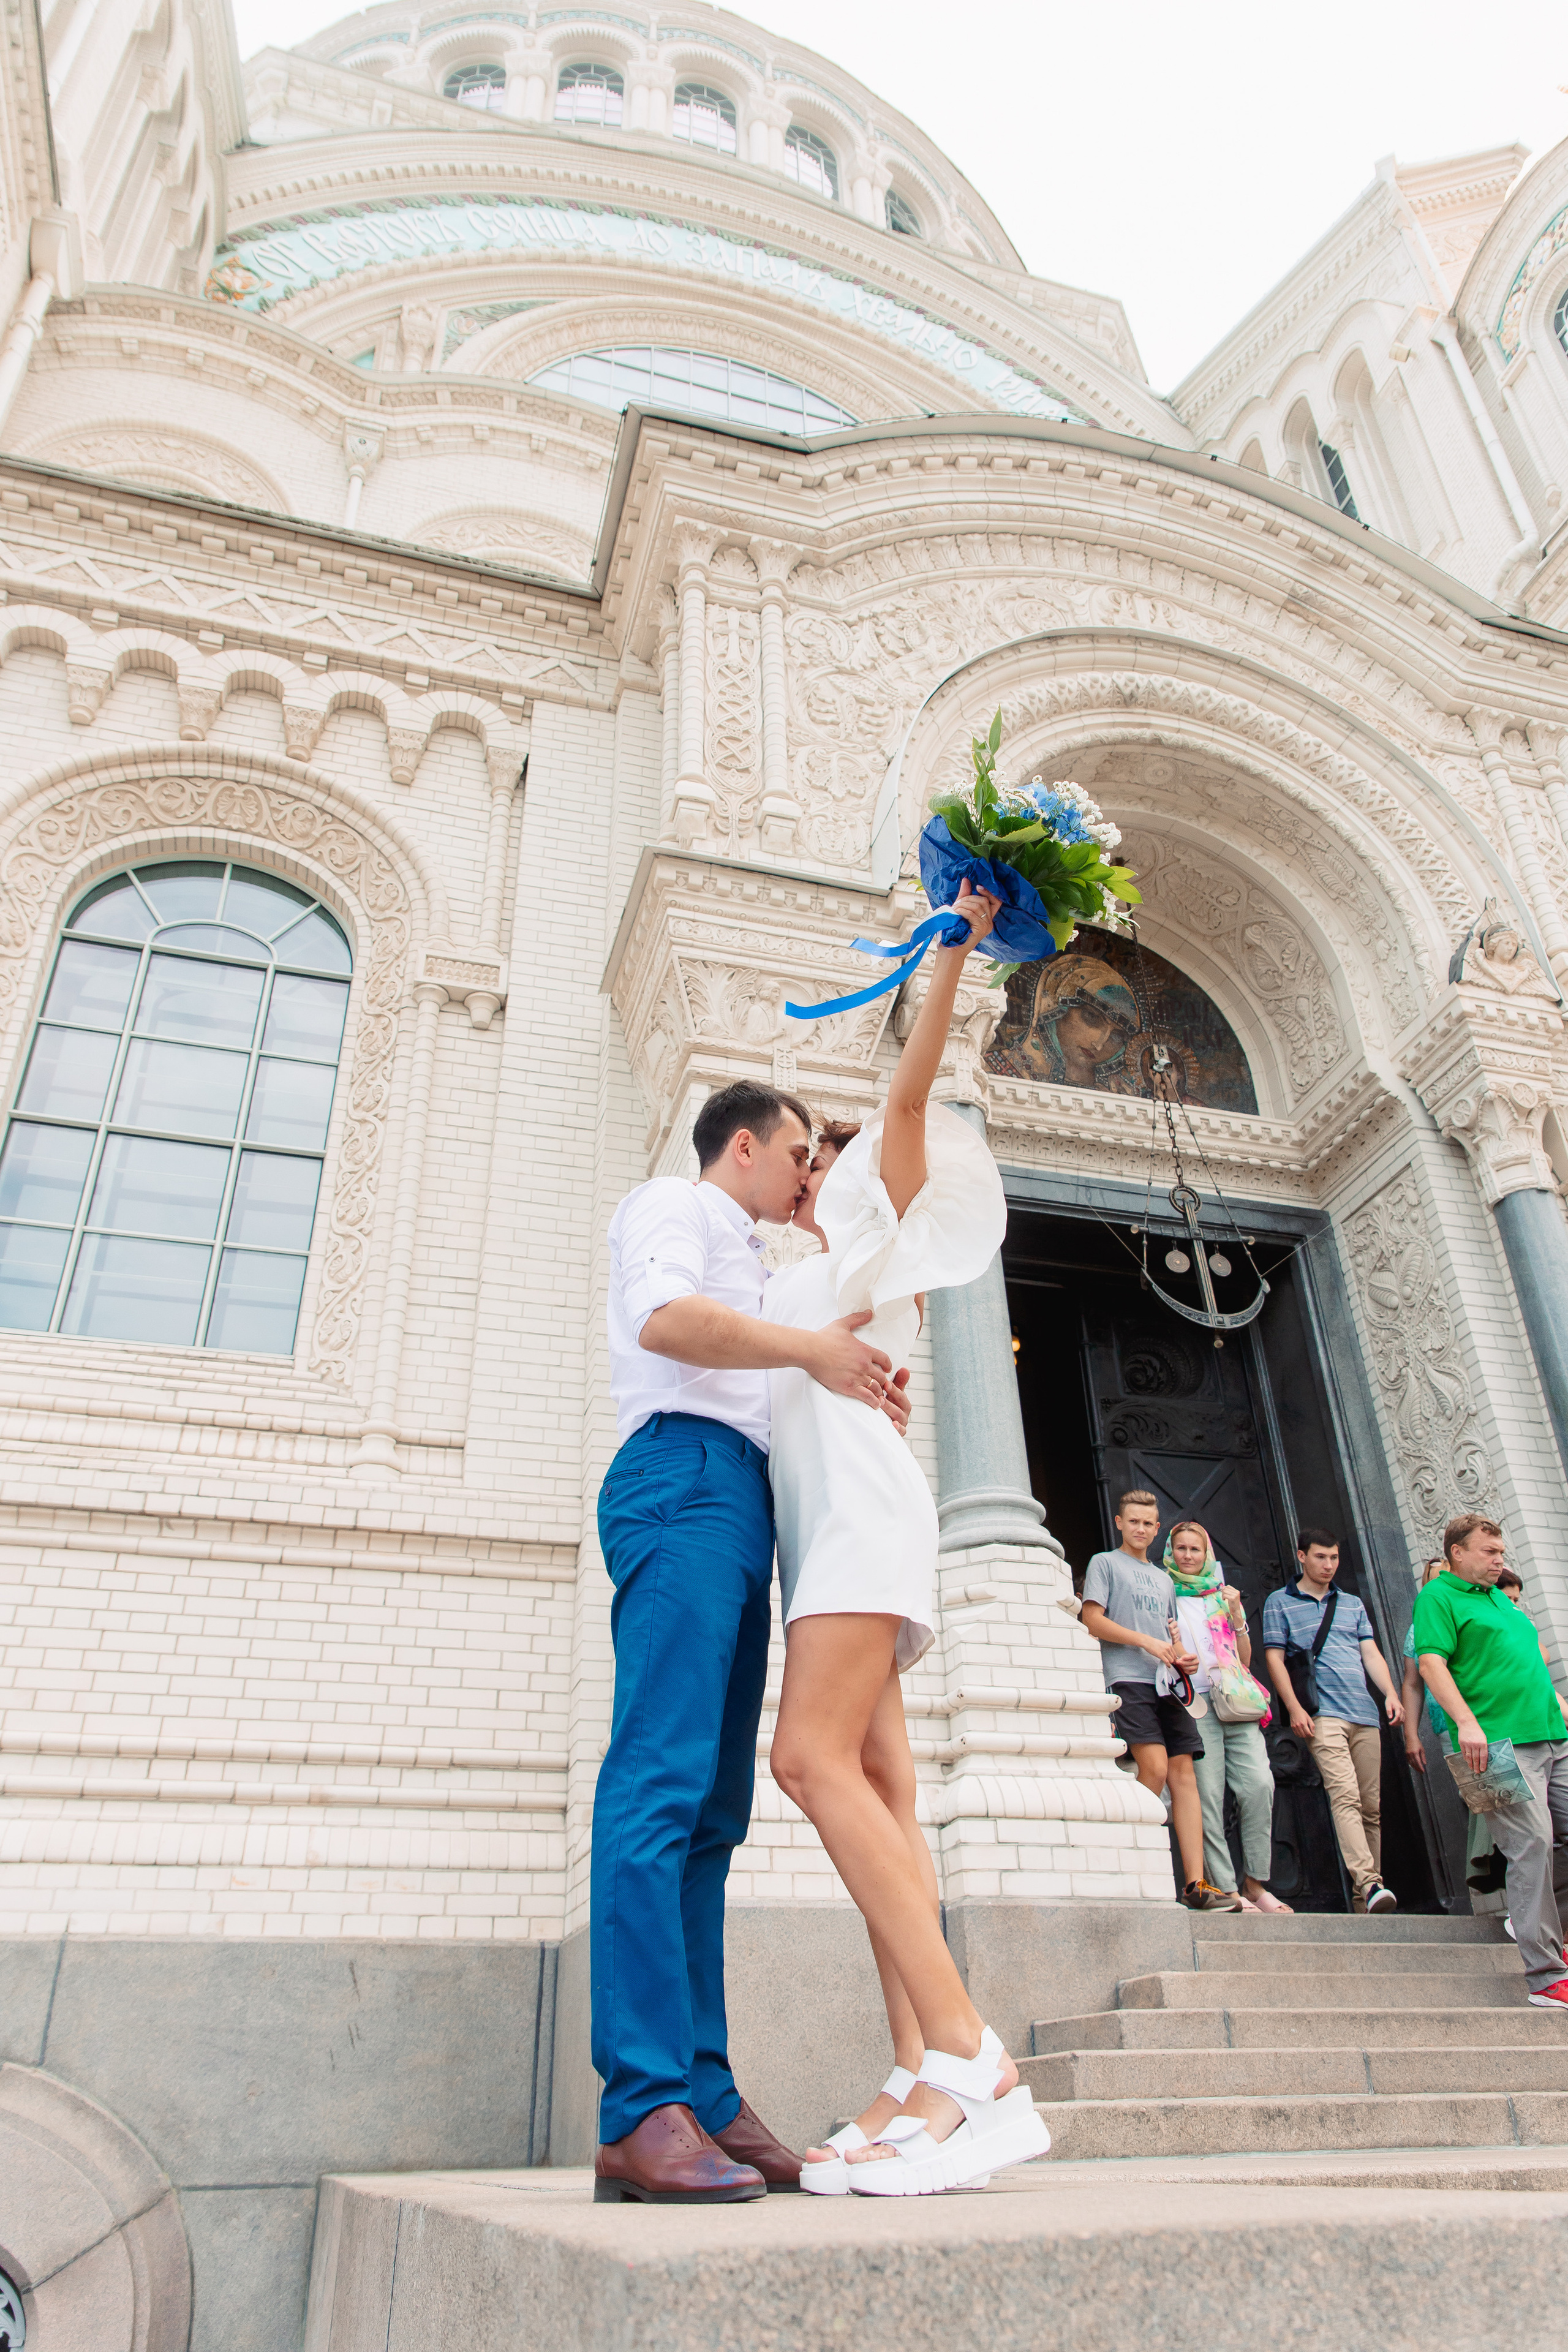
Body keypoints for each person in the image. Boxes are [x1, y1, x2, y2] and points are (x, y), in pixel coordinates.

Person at [766, 878, 1052, 2197]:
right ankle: (908, 2075)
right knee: (880, 1788)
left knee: (806, 1762)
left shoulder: (872, 1228)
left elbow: (902, 1096)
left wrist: (951, 956)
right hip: (818, 1532)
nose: (802, 1173)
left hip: (864, 1526)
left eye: (811, 1156)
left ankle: (969, 2061)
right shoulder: (786, 1281)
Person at [592, 1076, 912, 2203]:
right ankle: (640, 2106)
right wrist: (807, 1353)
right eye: (795, 1153)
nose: (804, 1174)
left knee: (713, 1813)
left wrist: (851, 1379)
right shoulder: (673, 1208)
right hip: (679, 1477)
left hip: (736, 1500)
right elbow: (666, 1323)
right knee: (659, 1784)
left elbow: (779, 1365)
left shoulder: (764, 1260)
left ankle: (705, 2093)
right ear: (741, 1147)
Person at [1413, 1513, 1568, 2009]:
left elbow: (1528, 1664)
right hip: (1488, 1749)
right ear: (1457, 1552)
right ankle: (1545, 1975)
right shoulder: (1437, 1597)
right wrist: (1466, 1723)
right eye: (1490, 1552)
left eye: (1502, 1552)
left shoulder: (1501, 1599)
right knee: (1532, 1844)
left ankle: (1543, 1928)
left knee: (1542, 1846)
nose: (1500, 1560)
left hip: (1551, 1739)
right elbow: (1430, 1663)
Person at [1081, 1492, 1240, 1912]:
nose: (1140, 1529)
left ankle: (1195, 1884)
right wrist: (1146, 1643)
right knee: (1152, 1767)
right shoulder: (1105, 1563)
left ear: (1156, 1529)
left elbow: (1171, 1638)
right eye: (1133, 1521)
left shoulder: (1165, 1580)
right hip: (1127, 1680)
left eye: (1148, 1524)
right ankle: (1134, 1864)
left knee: (1184, 1773)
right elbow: (1091, 1620)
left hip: (1167, 1684)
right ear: (1119, 1522)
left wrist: (1181, 1656)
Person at [1263, 1528, 1404, 1915]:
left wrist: (1390, 1693)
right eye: (1321, 1557)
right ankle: (1372, 1882)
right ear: (1302, 1557)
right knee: (1345, 1796)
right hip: (1322, 1715)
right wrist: (1293, 1707)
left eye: (1335, 1558)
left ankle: (1365, 1902)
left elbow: (1370, 1654)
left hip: (1364, 1712)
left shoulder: (1352, 1604)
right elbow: (1275, 1658)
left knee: (1371, 1806)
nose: (1329, 1565)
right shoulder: (1280, 1602)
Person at [1166, 1521, 1291, 1914]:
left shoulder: (1220, 1596)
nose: (1188, 1556)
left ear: (1207, 1555)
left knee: (1259, 1785)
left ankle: (1255, 1884)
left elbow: (1246, 1659)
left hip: (1235, 1702)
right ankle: (1226, 1888)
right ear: (1171, 1552)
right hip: (1195, 1704)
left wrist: (1236, 1614)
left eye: (1195, 1549)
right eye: (1181, 1548)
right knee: (1208, 1798)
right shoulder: (1164, 1593)